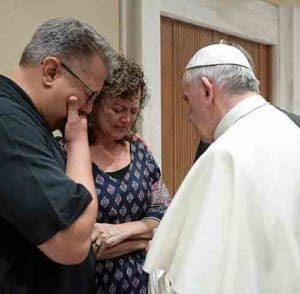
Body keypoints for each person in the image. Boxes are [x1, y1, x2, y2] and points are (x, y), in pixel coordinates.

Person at [144, 43, 300, 293]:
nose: (188, 116)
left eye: (187, 100)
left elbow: (188, 283)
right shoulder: (293, 133)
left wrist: (159, 261)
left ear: (207, 90)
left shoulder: (224, 155)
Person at [0, 18, 116, 293]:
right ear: (51, 71)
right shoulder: (9, 124)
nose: (89, 109)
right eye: (89, 95)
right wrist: (77, 145)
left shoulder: (35, 124)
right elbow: (73, 241)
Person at [88, 55, 170, 294]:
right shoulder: (69, 151)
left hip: (142, 283)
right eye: (117, 109)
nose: (126, 119)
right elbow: (87, 246)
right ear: (96, 103)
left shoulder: (140, 150)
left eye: (134, 111)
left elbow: (163, 207)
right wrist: (145, 239)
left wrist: (123, 231)